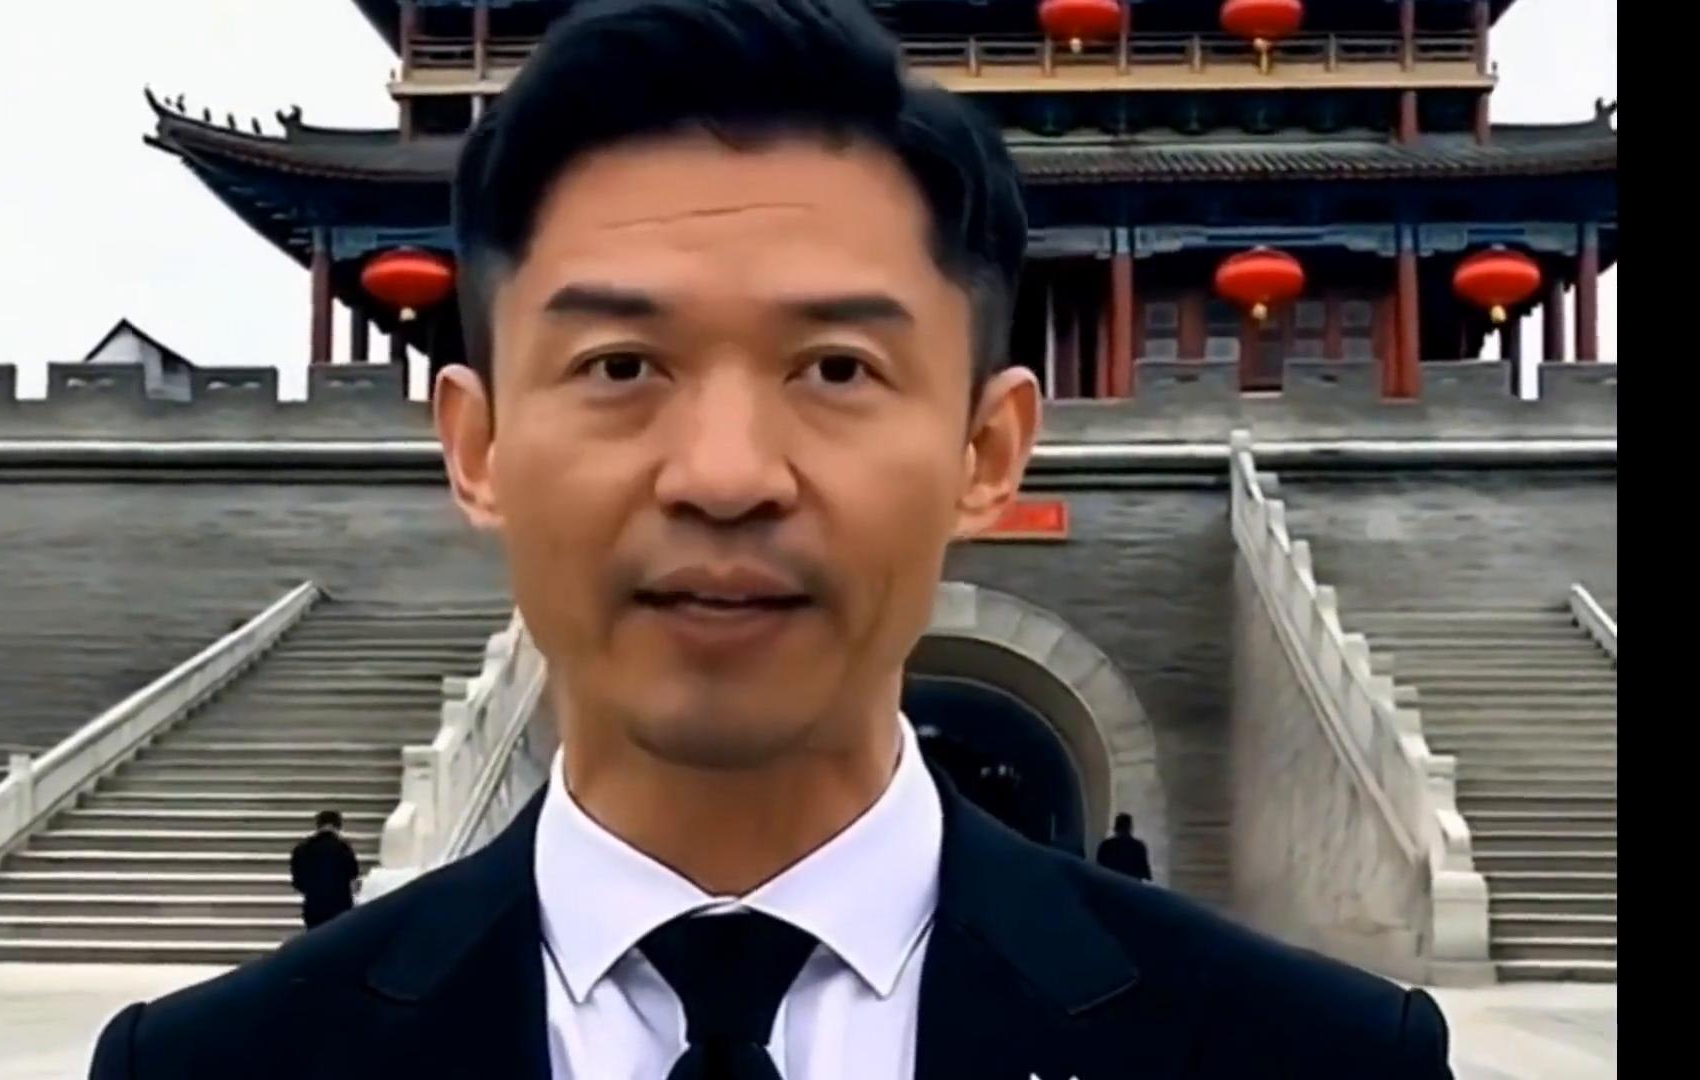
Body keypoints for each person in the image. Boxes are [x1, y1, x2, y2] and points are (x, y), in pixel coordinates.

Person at [90, 2, 1453, 1077]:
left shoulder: (1313, 1058)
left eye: (837, 369)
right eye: (621, 366)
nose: (727, 476)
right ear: (479, 448)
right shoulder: (214, 1067)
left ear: (986, 452)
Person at [287, 810, 359, 931]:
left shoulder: (303, 849)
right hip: (340, 906)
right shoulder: (344, 848)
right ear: (338, 826)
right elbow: (353, 877)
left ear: (318, 825)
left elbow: (298, 882)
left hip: (314, 906)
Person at [1097, 812, 1154, 883]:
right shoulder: (1138, 846)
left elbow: (1099, 871)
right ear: (1130, 828)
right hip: (1131, 887)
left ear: (1115, 828)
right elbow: (1146, 874)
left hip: (1111, 886)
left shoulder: (1106, 845)